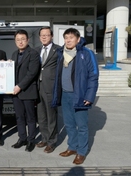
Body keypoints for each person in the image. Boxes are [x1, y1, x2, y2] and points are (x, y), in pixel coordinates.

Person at [52, 28, 99, 165]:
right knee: (69, 124)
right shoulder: (61, 53)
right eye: (66, 37)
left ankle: (81, 152)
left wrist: (90, 96)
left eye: (71, 37)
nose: (68, 40)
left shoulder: (86, 53)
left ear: (78, 39)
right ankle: (72, 147)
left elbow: (93, 76)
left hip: (79, 95)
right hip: (65, 95)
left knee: (82, 125)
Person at [11, 29, 40, 152]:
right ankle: (22, 138)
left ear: (27, 40)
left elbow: (31, 73)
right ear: (15, 41)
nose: (20, 42)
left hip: (27, 91)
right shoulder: (14, 54)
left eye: (23, 39)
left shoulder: (33, 53)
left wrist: (19, 86)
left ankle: (31, 140)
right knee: (19, 117)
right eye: (18, 40)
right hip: (15, 93)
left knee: (30, 117)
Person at [34, 26, 60, 153]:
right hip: (38, 88)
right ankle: (44, 138)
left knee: (51, 116)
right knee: (41, 117)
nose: (44, 37)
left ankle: (52, 142)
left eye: (47, 34)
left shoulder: (58, 50)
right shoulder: (36, 50)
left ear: (52, 36)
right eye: (42, 35)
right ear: (39, 37)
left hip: (51, 88)